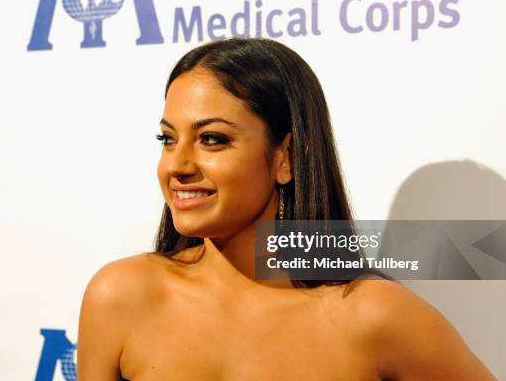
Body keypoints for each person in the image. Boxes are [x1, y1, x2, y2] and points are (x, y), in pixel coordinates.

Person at [77, 38, 496, 380]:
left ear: (287, 157)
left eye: (212, 139)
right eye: (168, 139)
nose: (178, 166)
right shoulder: (119, 296)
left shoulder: (373, 314)